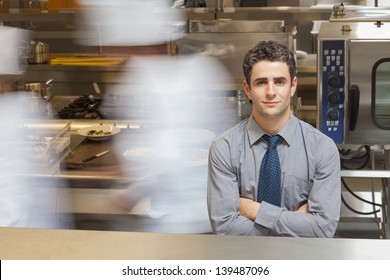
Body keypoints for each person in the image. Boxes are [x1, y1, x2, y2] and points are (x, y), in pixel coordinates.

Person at [207, 40, 341, 237]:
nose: (271, 92)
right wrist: (296, 221)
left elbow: (322, 229)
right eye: (261, 82)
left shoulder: (322, 148)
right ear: (247, 89)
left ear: (293, 86)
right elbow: (225, 227)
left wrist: (254, 210)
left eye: (279, 81)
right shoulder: (224, 148)